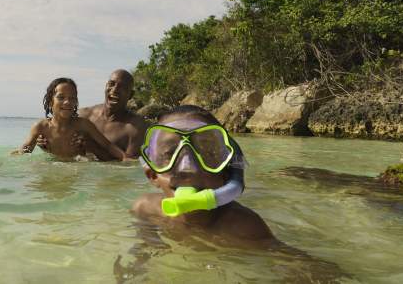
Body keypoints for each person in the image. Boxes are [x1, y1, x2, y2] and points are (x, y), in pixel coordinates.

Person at [132, 105, 270, 246]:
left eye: (207, 153)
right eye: (170, 153)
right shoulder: (146, 209)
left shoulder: (244, 228)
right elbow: (144, 247)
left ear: (226, 174)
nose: (188, 169)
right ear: (152, 175)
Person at [15, 77, 128, 161]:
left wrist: (125, 158)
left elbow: (108, 145)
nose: (67, 102)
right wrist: (2, 163)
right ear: (50, 102)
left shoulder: (83, 124)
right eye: (61, 97)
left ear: (76, 102)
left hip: (77, 168)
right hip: (53, 167)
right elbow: (24, 151)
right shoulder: (41, 127)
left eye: (72, 98)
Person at [77, 69, 148, 159]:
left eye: (122, 87)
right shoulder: (84, 115)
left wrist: (95, 149)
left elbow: (130, 165)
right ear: (106, 86)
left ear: (130, 95)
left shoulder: (136, 128)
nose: (115, 90)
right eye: (111, 84)